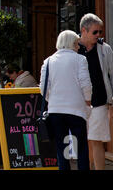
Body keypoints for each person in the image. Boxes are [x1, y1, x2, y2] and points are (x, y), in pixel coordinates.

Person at [39, 30, 92, 170]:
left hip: (56, 110)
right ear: (72, 43)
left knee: (61, 149)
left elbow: (43, 88)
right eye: (77, 43)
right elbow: (86, 84)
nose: (79, 46)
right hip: (76, 109)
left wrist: (53, 99)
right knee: (81, 148)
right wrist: (88, 100)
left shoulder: (48, 61)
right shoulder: (80, 59)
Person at [77, 13, 113, 170]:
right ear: (84, 30)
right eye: (95, 32)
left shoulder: (104, 49)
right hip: (78, 103)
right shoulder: (73, 48)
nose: (98, 35)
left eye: (100, 32)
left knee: (96, 140)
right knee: (84, 140)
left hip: (100, 102)